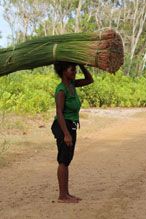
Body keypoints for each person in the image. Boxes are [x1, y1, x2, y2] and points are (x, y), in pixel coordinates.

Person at [51, 62, 93, 203]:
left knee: (67, 159)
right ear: (64, 71)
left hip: (71, 125)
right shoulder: (61, 90)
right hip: (63, 125)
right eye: (72, 69)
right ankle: (62, 196)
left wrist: (81, 65)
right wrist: (66, 134)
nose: (74, 72)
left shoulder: (72, 85)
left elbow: (89, 80)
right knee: (63, 160)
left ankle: (66, 194)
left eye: (75, 69)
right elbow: (59, 113)